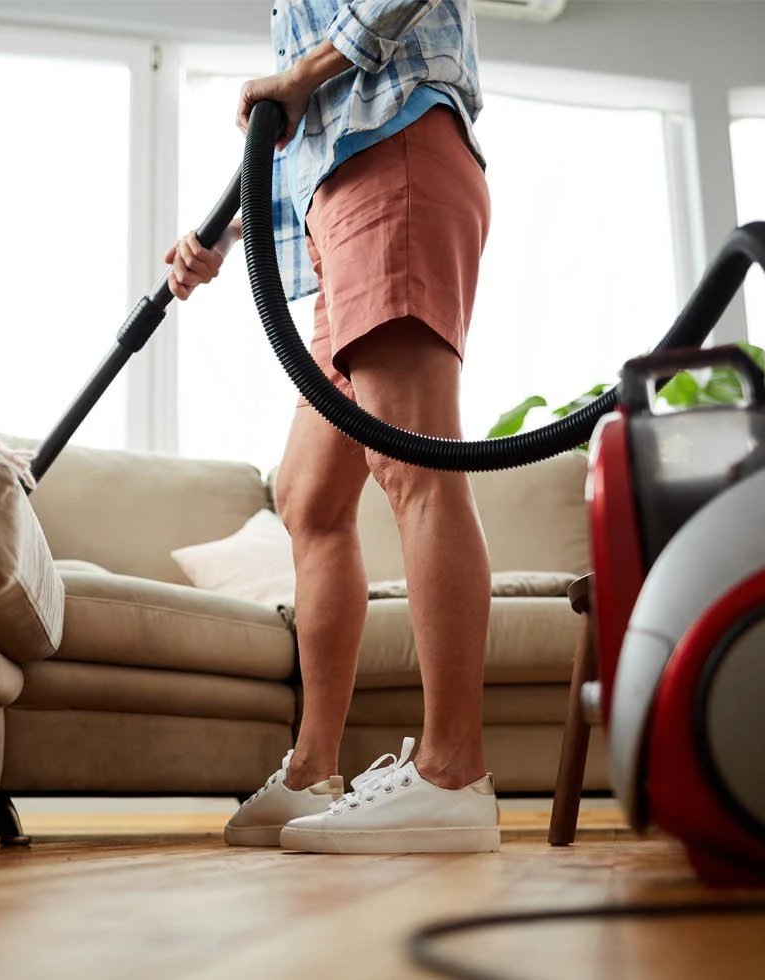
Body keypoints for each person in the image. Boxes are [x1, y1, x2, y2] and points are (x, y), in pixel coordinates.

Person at [165, 0, 495, 854]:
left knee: (414, 465)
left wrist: (302, 73)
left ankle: (452, 774)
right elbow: (312, 133)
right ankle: (313, 766)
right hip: (341, 199)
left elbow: (347, 71)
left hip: (398, 160)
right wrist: (230, 231)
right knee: (307, 499)